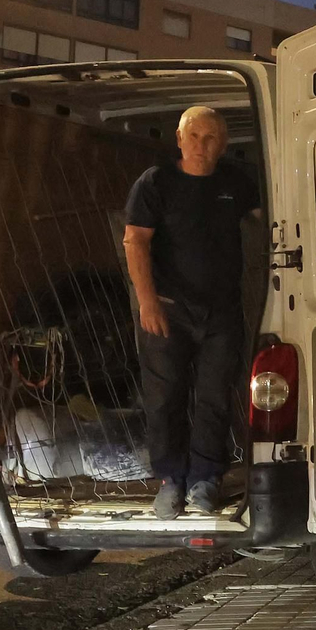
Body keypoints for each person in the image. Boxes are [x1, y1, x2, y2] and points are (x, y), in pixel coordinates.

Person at [123, 106, 260, 519]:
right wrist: (147, 301)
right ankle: (171, 481)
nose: (203, 145)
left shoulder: (236, 182)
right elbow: (135, 241)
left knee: (215, 397)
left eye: (212, 137)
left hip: (222, 312)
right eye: (195, 137)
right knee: (165, 398)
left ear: (224, 143)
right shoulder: (156, 182)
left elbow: (270, 222)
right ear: (180, 140)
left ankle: (205, 480)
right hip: (166, 310)